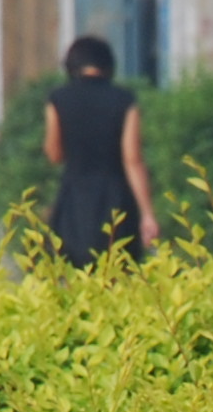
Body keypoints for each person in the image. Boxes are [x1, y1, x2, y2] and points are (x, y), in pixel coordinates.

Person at [44, 33, 160, 262]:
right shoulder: (125, 100)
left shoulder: (58, 99)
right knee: (118, 274)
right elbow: (132, 159)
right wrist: (148, 214)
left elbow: (55, 154)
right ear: (108, 65)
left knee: (73, 277)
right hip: (116, 201)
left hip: (74, 203)